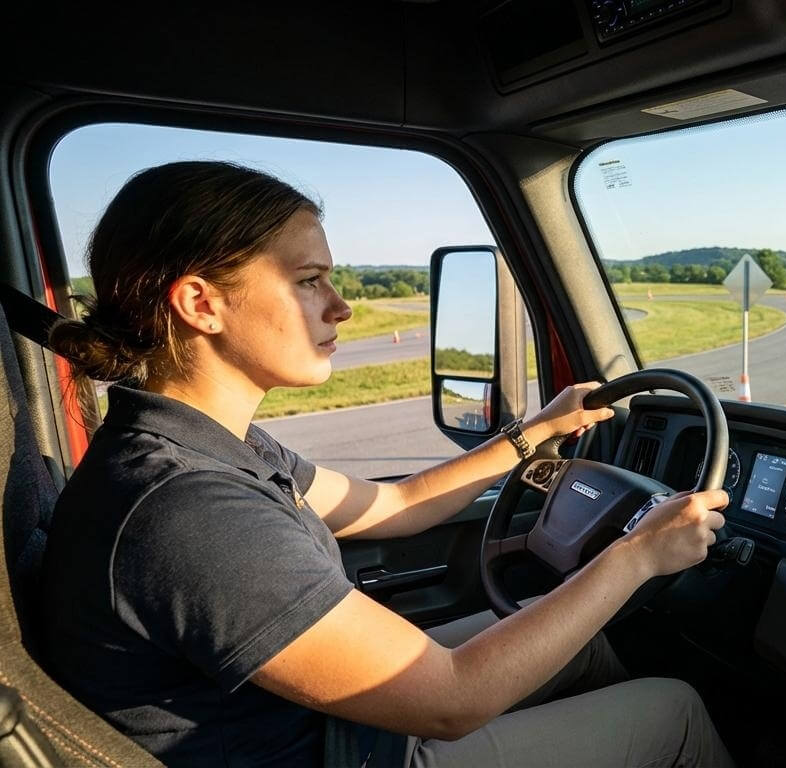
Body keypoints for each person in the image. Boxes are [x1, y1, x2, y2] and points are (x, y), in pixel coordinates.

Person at [39, 161, 735, 767]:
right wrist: (637, 555)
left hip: (325, 730)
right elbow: (452, 701)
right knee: (673, 711)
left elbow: (393, 507)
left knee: (579, 645)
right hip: (343, 752)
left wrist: (536, 432)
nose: (341, 308)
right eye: (310, 281)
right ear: (201, 303)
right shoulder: (190, 511)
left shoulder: (208, 444)